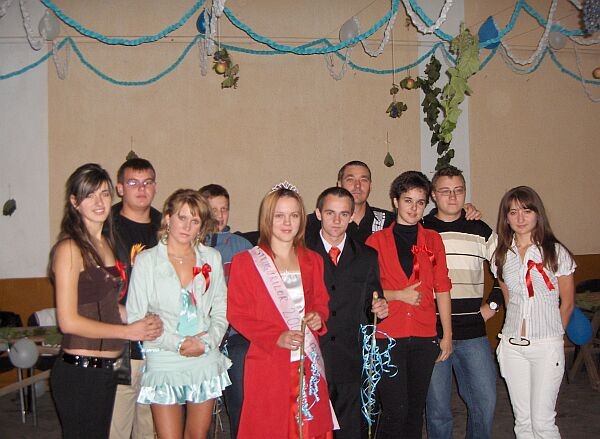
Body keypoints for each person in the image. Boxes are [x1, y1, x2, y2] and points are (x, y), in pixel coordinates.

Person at [49, 163, 163, 439]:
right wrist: (128, 332)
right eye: (89, 195)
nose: (99, 202)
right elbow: (68, 321)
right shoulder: (69, 248)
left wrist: (142, 320)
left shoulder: (106, 244)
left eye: (103, 193)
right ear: (74, 202)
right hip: (79, 369)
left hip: (108, 371)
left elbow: (109, 307)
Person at [227, 182, 336, 438]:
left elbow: (321, 302)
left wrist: (318, 317)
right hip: (269, 361)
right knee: (270, 427)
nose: (287, 223)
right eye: (279, 215)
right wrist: (275, 336)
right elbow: (237, 313)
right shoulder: (246, 262)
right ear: (267, 218)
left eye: (294, 215)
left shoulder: (313, 260)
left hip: (307, 360)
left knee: (308, 428)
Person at [126, 189, 231, 439]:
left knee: (197, 435)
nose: (187, 226)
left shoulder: (211, 258)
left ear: (201, 226)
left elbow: (222, 309)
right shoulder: (147, 261)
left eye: (195, 221)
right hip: (164, 355)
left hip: (203, 354)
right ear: (167, 218)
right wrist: (178, 343)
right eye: (182, 217)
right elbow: (135, 317)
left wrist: (207, 342)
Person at [365, 170, 452, 439]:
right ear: (395, 201)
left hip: (425, 335)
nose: (414, 208)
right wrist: (398, 295)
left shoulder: (432, 240)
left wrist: (447, 335)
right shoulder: (376, 242)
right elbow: (366, 291)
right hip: (388, 337)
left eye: (420, 202)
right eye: (407, 200)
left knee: (415, 412)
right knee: (395, 411)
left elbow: (442, 287)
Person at [423, 166, 503, 439]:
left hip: (473, 333)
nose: (452, 197)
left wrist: (493, 305)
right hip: (433, 333)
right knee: (438, 411)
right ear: (434, 195)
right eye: (445, 191)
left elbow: (508, 269)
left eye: (458, 190)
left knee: (485, 402)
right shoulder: (421, 230)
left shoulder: (479, 228)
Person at [305, 187, 388, 439]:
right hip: (312, 355)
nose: (336, 220)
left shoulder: (367, 256)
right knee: (311, 428)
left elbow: (372, 301)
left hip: (349, 358)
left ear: (352, 216)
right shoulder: (302, 252)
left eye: (343, 214)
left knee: (350, 429)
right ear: (318, 213)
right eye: (330, 213)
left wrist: (379, 309)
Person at [493, 186, 575, 439]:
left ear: (537, 213)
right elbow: (509, 300)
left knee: (543, 423)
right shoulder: (501, 255)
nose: (520, 218)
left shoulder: (555, 252)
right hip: (512, 346)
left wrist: (553, 338)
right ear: (506, 218)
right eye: (513, 212)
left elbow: (567, 303)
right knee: (523, 423)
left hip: (546, 346)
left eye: (526, 211)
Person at [110, 157, 161, 439]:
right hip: (120, 340)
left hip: (159, 339)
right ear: (120, 188)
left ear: (155, 186)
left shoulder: (167, 226)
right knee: (116, 425)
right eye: (133, 182)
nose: (141, 189)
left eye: (147, 182)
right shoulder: (105, 227)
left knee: (151, 426)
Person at [199, 183, 253, 439]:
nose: (219, 216)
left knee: (240, 396)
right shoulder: (189, 245)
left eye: (224, 209)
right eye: (213, 210)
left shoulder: (242, 246)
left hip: (235, 335)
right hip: (200, 334)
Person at [306, 161, 394, 244]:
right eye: (350, 179)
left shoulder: (389, 222)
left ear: (370, 186)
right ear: (339, 185)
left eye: (363, 180)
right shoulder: (312, 223)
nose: (357, 185)